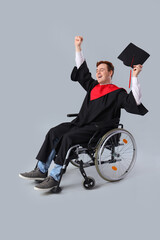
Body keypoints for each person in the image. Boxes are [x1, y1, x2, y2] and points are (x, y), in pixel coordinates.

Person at [19, 36, 148, 191]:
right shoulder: (93, 87)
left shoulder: (117, 93)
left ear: (110, 72)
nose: (98, 72)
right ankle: (41, 169)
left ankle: (54, 177)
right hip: (80, 124)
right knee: (54, 131)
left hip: (97, 130)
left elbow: (134, 101)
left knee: (67, 138)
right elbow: (82, 71)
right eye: (97, 70)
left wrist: (134, 77)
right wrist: (78, 47)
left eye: (102, 70)